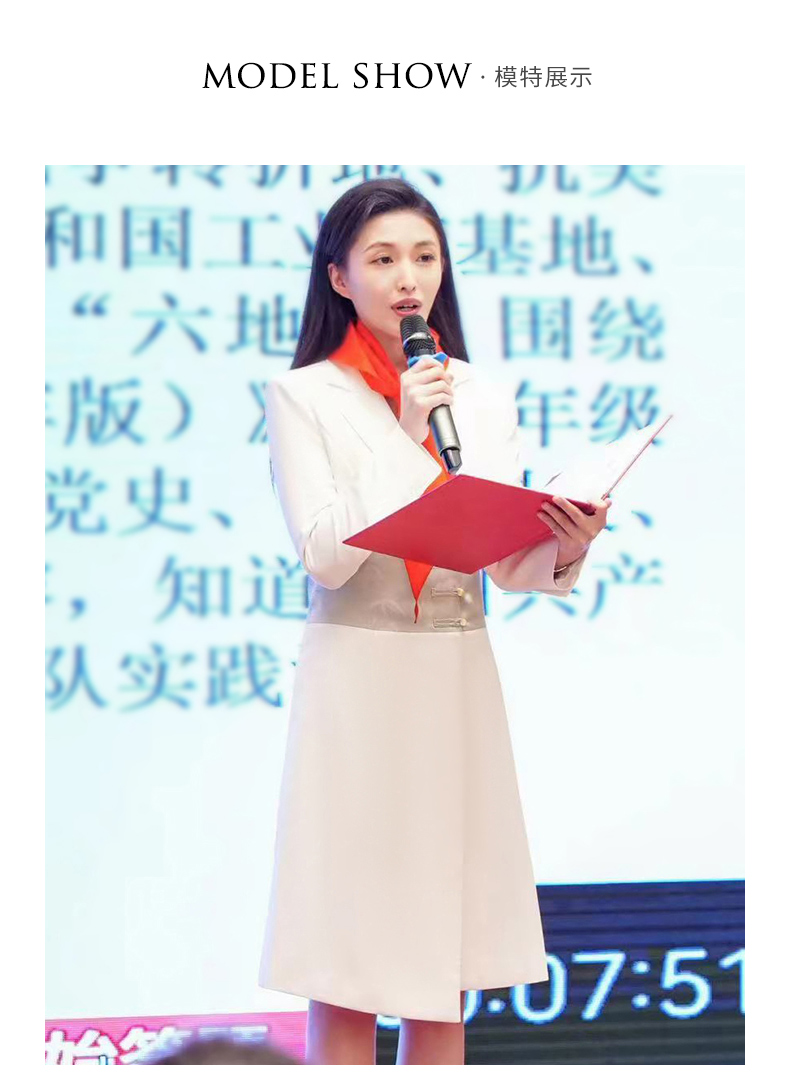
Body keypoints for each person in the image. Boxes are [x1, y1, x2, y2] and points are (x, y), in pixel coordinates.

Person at [257, 178, 610, 1065]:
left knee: (442, 956)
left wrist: (564, 541)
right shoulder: (303, 395)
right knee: (348, 953)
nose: (407, 278)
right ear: (339, 277)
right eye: (382, 259)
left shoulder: (479, 394)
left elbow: (501, 561)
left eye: (424, 256)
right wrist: (400, 432)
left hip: (455, 675)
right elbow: (325, 554)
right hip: (356, 679)